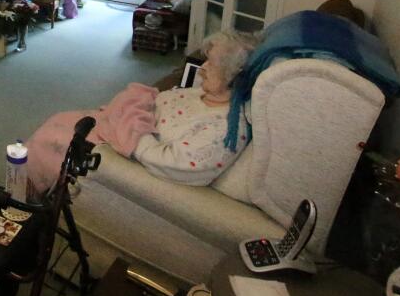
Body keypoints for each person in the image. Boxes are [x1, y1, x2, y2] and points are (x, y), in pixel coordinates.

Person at [26, 31, 257, 194]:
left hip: (121, 145)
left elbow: (169, 162)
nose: (203, 68)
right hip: (123, 123)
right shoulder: (208, 93)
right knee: (59, 120)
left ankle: (25, 199)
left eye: (212, 64)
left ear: (233, 76)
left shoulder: (223, 132)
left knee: (49, 139)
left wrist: (133, 126)